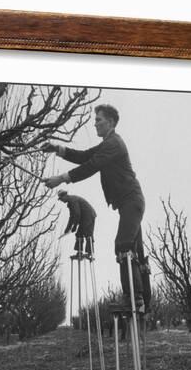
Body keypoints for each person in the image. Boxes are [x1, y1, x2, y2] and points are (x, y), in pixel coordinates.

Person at [42, 104, 147, 309]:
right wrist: (58, 149)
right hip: (129, 203)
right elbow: (84, 156)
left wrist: (61, 179)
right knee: (129, 249)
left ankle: (134, 299)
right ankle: (138, 298)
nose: (95, 123)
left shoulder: (114, 143)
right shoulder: (107, 143)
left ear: (111, 122)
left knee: (123, 246)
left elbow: (90, 166)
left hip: (131, 201)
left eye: (98, 119)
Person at [57, 190, 96, 256]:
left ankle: (89, 252)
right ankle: (80, 252)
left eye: (61, 199)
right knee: (79, 234)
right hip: (84, 217)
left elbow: (77, 214)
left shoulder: (73, 200)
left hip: (88, 216)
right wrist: (67, 229)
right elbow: (72, 217)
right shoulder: (70, 202)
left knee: (87, 234)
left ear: (65, 196)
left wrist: (74, 226)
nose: (61, 201)